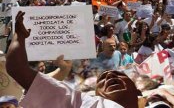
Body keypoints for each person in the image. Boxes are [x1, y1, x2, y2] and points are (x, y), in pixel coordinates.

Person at [6, 11, 140, 108]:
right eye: (104, 78)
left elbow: (17, 69)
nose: (111, 76)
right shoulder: (88, 103)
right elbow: (17, 69)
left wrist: (19, 36)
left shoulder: (89, 103)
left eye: (121, 77)